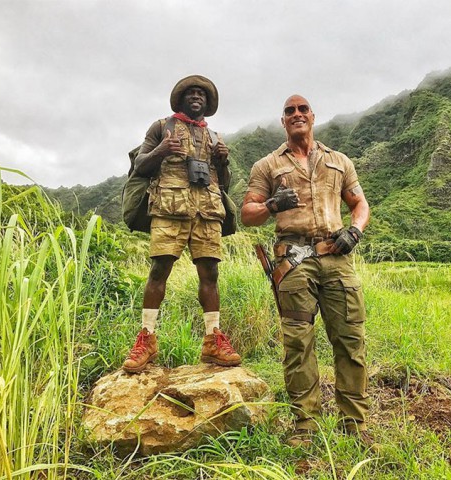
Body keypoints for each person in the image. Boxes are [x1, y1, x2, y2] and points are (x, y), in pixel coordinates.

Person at [241, 95, 372, 447]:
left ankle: (354, 424)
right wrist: (271, 204)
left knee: (350, 339)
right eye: (289, 112)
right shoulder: (267, 165)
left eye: (302, 110)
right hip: (293, 262)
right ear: (283, 121)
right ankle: (305, 425)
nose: (296, 115)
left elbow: (359, 203)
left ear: (313, 116)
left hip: (337, 256)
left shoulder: (339, 161)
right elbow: (247, 212)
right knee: (298, 344)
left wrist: (355, 230)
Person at [123, 75, 241, 373]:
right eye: (191, 92)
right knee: (159, 268)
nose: (197, 96)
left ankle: (213, 340)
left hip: (207, 211)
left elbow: (224, 183)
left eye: (202, 93)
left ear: (208, 102)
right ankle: (146, 339)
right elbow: (140, 166)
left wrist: (223, 161)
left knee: (210, 273)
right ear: (182, 99)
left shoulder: (214, 136)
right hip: (169, 207)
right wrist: (163, 149)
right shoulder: (162, 127)